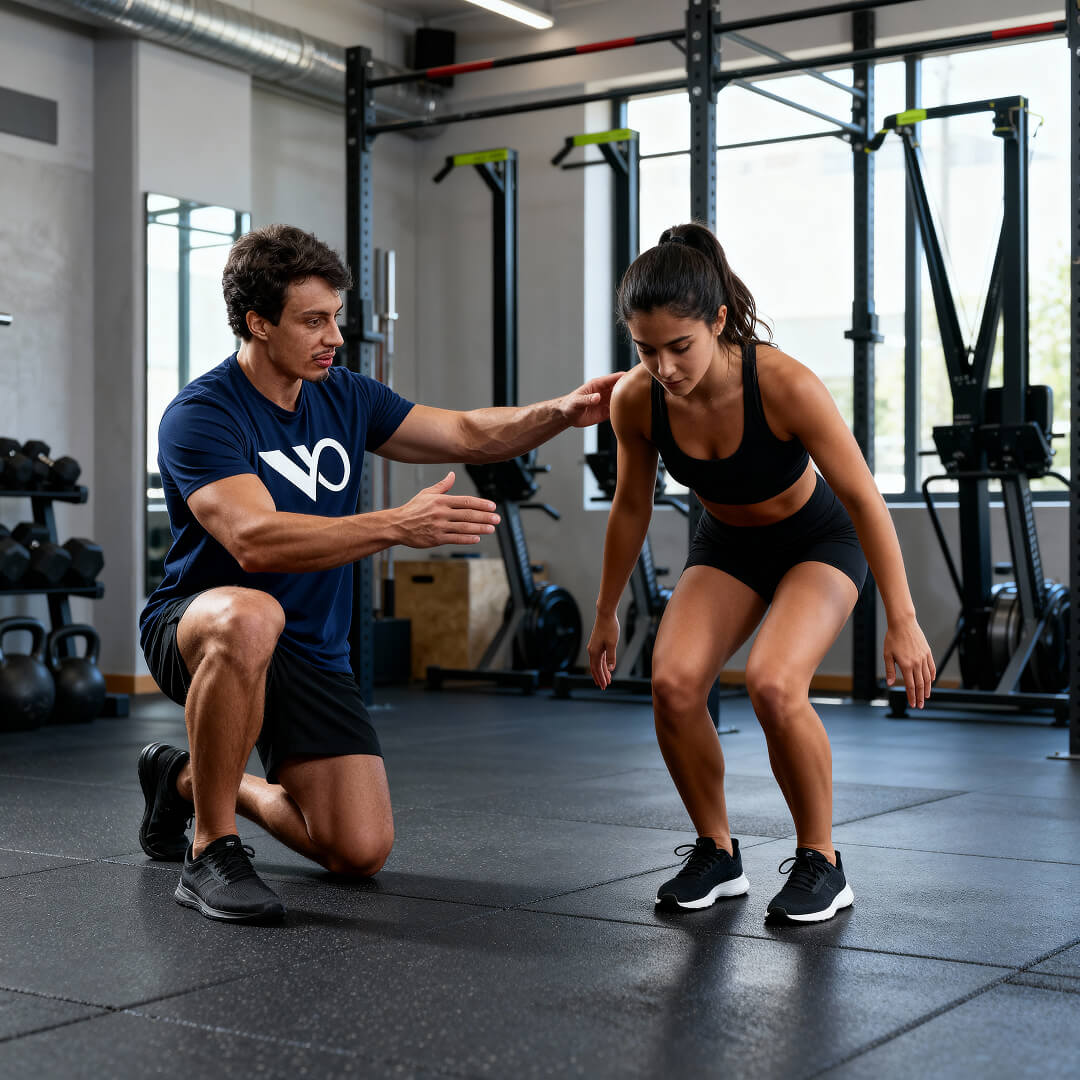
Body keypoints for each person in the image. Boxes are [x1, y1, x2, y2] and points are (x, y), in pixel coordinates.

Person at [137, 223, 620, 923]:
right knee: (251, 614)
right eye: (314, 321)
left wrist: (563, 412)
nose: (335, 335)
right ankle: (211, 847)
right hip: (199, 627)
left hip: (310, 649)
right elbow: (254, 541)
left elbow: (462, 433)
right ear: (258, 323)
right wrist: (396, 524)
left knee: (358, 849)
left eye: (336, 316)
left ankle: (184, 777)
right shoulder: (202, 413)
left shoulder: (346, 395)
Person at [586, 222, 935, 924]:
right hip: (728, 547)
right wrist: (606, 609)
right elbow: (630, 505)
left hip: (818, 540)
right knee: (674, 683)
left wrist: (903, 618)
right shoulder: (636, 399)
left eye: (679, 347)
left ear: (716, 321)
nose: (665, 367)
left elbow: (866, 498)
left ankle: (823, 862)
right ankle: (716, 851)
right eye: (645, 349)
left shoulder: (781, 384)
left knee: (776, 685)